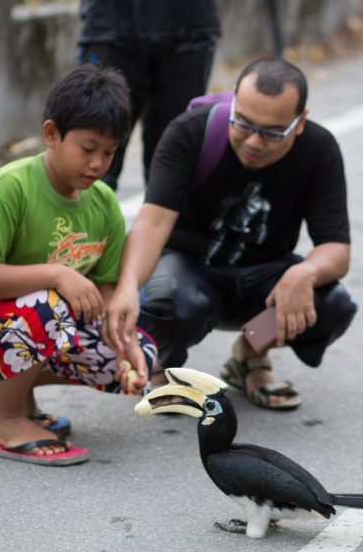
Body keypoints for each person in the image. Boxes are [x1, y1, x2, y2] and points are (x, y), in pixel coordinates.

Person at [104, 57, 356, 411]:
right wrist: (127, 287)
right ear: (235, 98)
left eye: (271, 132)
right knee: (168, 302)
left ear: (299, 122)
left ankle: (250, 356)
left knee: (332, 304)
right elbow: (153, 221)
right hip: (187, 271)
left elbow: (336, 246)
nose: (254, 141)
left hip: (262, 280)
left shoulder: (319, 149)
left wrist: (305, 272)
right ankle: (164, 365)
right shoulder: (190, 131)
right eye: (244, 123)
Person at [0, 64, 156, 465]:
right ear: (51, 134)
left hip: (31, 324)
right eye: (88, 149)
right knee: (51, 303)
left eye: (109, 151)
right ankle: (4, 417)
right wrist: (57, 273)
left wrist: (125, 346)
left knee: (138, 349)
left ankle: (19, 397)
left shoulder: (103, 204)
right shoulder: (9, 187)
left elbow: (104, 288)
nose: (98, 163)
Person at [77, 0, 220, 191]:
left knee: (173, 155)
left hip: (189, 19)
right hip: (112, 16)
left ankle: (160, 221)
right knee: (96, 140)